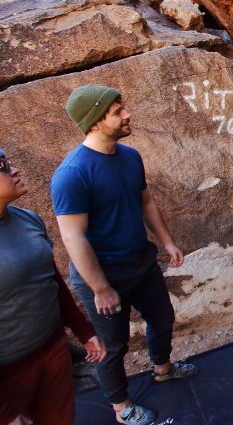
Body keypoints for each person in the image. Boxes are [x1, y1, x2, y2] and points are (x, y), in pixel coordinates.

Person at [50, 85, 198, 425]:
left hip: (142, 263)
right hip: (103, 275)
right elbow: (73, 237)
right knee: (112, 345)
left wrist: (167, 242)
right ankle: (121, 406)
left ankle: (163, 368)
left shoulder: (130, 156)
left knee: (162, 320)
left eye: (123, 108)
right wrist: (100, 287)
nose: (127, 114)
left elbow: (145, 200)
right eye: (117, 112)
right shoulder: (72, 175)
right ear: (95, 122)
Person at [0, 148, 106, 425]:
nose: (14, 170)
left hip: (52, 352)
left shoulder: (27, 219)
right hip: (7, 373)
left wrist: (83, 330)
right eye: (2, 166)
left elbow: (51, 280)